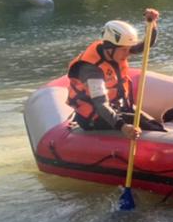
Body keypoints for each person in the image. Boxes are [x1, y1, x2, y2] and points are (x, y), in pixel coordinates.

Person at [66, 8, 165, 139]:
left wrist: (151, 25)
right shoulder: (91, 70)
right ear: (109, 48)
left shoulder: (116, 50)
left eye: (129, 49)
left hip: (115, 108)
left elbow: (145, 46)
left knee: (154, 125)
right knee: (148, 127)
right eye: (124, 50)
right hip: (94, 117)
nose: (127, 53)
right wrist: (123, 127)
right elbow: (101, 105)